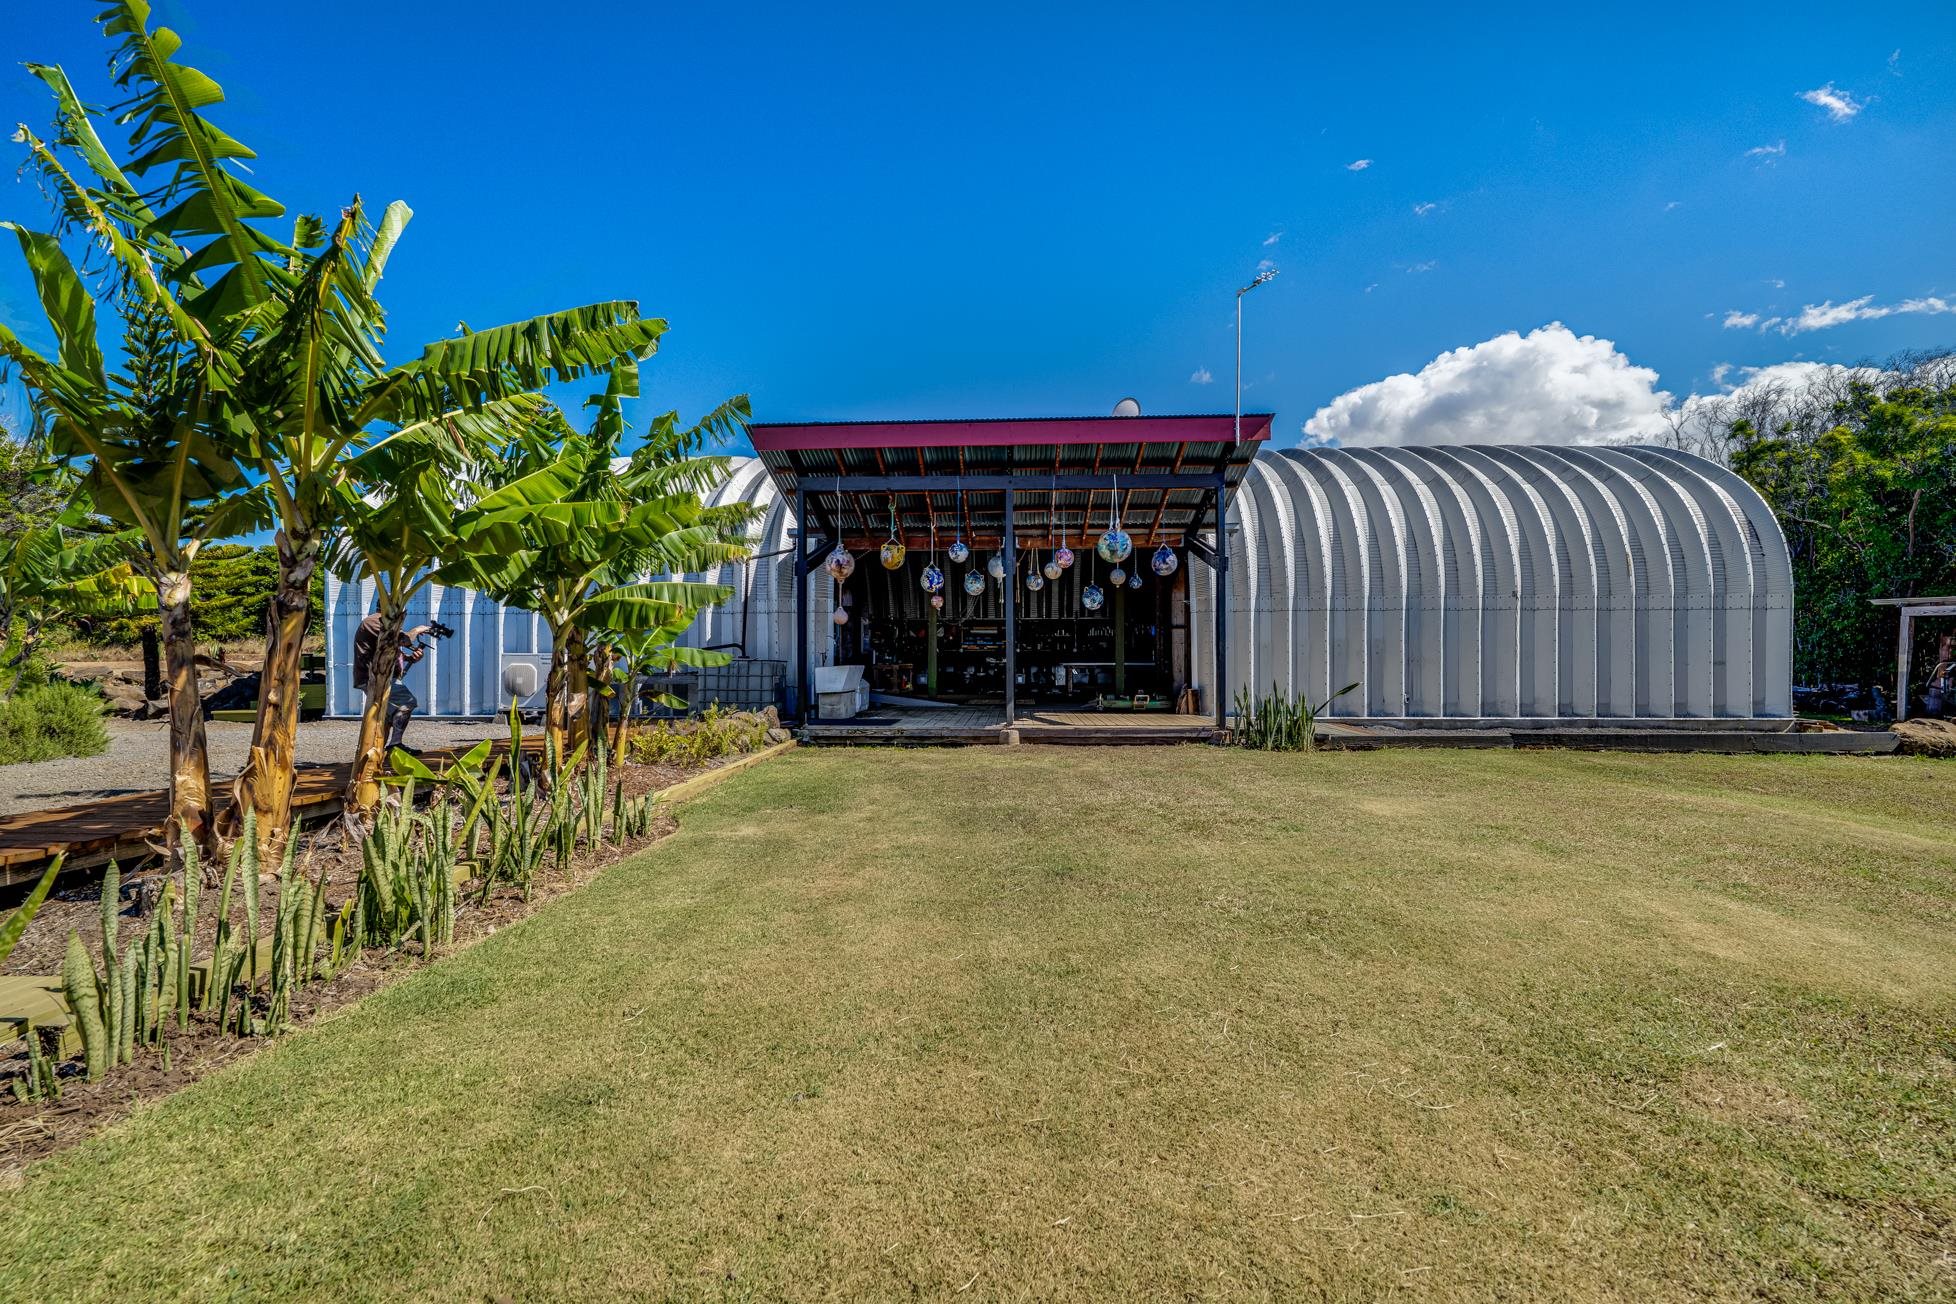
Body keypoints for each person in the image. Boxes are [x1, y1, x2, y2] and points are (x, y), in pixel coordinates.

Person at [352, 612, 434, 752]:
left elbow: (388, 649)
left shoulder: (385, 622)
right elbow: (402, 640)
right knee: (407, 702)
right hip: (375, 677)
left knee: (387, 717)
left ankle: (377, 752)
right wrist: (417, 630)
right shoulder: (374, 622)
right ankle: (395, 744)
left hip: (382, 677)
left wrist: (410, 658)